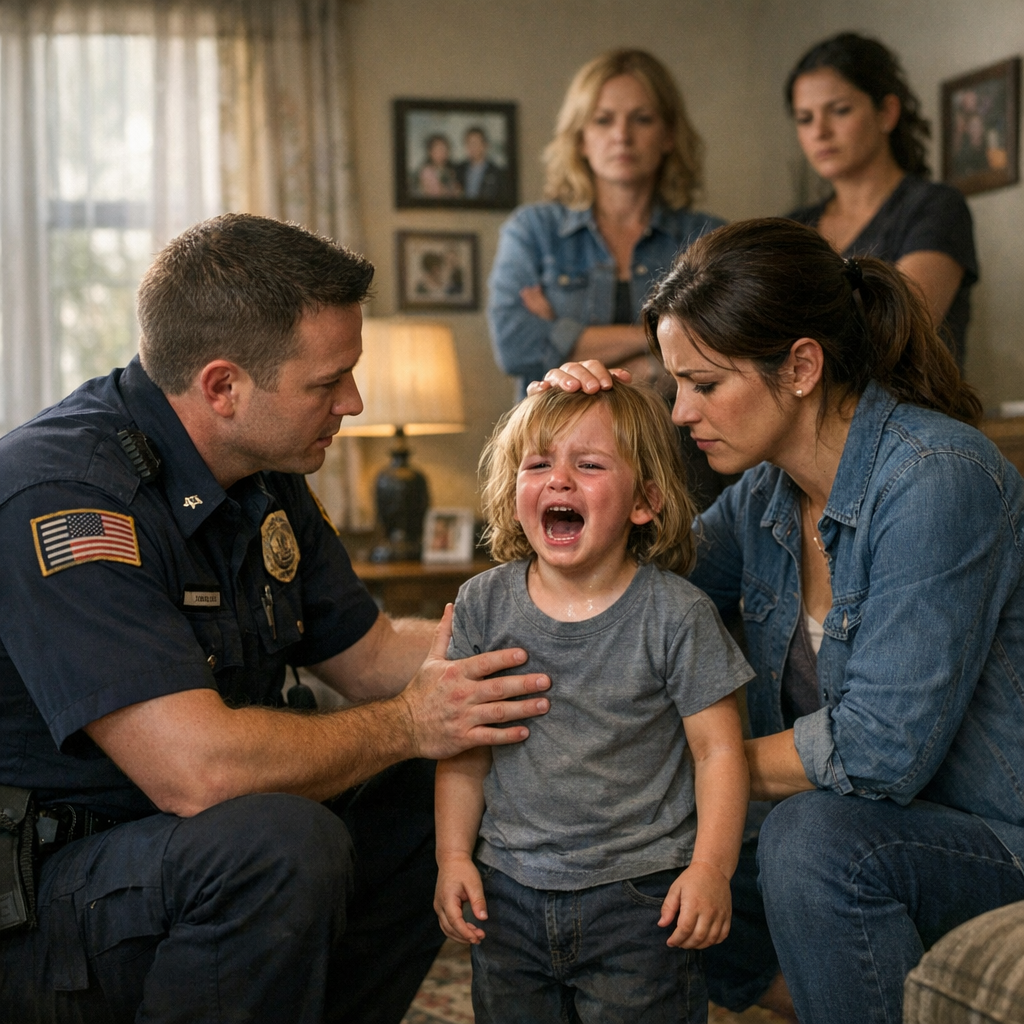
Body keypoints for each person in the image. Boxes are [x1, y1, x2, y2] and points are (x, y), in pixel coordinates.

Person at [0, 213, 553, 1024]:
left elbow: (369, 656)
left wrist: (555, 629)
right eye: (329, 382)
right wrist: (410, 723)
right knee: (281, 843)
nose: (353, 402)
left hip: (181, 856)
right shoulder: (66, 497)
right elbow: (197, 773)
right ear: (223, 387)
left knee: (441, 779)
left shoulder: (261, 470)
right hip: (49, 898)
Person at [533, 218, 1024, 1024]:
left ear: (800, 366)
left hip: (993, 836)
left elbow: (880, 750)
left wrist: (669, 764)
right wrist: (588, 431)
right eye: (674, 384)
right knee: (638, 853)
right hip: (863, 827)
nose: (681, 412)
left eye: (703, 384)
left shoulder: (938, 479)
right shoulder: (766, 495)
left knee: (807, 839)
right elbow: (630, 606)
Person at [433, 382, 752, 1023]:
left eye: (589, 464)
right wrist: (453, 857)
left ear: (645, 502)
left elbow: (718, 752)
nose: (559, 480)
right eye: (538, 464)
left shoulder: (677, 614)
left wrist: (711, 869)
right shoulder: (481, 605)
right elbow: (464, 749)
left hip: (641, 898)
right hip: (508, 891)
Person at [487, 48, 726, 507]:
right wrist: (658, 346)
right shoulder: (533, 231)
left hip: (681, 474)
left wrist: (563, 334)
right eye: (602, 120)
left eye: (642, 119)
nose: (621, 135)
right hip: (557, 475)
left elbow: (719, 357)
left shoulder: (707, 238)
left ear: (669, 135)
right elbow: (515, 344)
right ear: (580, 137)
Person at [784, 32, 977, 369]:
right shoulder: (794, 227)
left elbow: (897, 327)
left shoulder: (935, 207)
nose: (820, 131)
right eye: (805, 119)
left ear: (887, 112)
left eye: (840, 110)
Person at [455, 125, 507, 201]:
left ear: (485, 145)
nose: (472, 147)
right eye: (469, 143)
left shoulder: (497, 173)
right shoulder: (459, 170)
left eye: (475, 143)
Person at [414, 133, 462, 197]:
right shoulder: (426, 172)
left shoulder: (450, 170)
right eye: (439, 149)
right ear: (430, 152)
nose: (443, 153)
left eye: (445, 149)